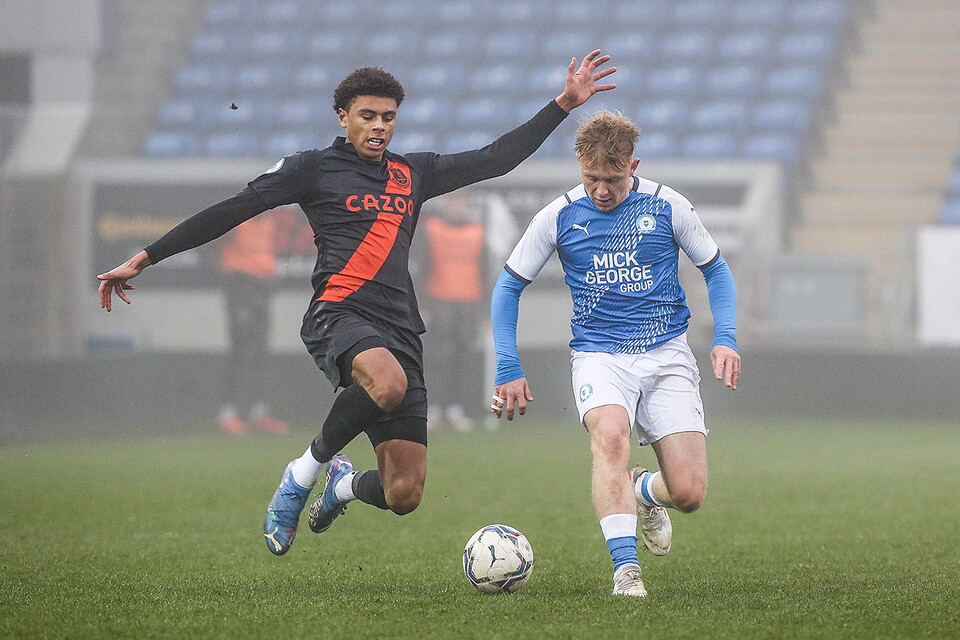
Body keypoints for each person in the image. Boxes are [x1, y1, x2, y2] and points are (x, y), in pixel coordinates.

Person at [97, 51, 616, 557]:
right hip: (339, 314)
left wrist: (563, 104)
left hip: (402, 329)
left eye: (388, 118)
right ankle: (300, 476)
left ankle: (342, 487)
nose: (379, 127)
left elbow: (495, 158)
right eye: (367, 116)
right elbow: (233, 210)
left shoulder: (413, 173)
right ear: (343, 117)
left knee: (403, 494)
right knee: (386, 384)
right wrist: (145, 257)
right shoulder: (312, 169)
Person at [489, 110, 740, 597]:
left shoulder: (668, 206)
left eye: (612, 179)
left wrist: (725, 336)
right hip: (599, 356)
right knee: (610, 438)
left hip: (667, 353)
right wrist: (507, 364)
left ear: (634, 164)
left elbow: (716, 269)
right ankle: (626, 570)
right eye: (591, 179)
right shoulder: (559, 215)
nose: (601, 190)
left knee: (688, 493)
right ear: (579, 165)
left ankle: (644, 490)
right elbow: (507, 287)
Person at [216, 213, 289, 435]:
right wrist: (232, 273)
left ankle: (259, 414)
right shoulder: (237, 220)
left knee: (262, 352)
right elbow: (213, 248)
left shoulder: (270, 221)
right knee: (241, 351)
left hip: (262, 287)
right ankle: (228, 414)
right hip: (240, 286)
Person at [421, 190, 486, 432]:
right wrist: (424, 306)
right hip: (440, 301)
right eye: (453, 202)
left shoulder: (477, 231)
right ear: (446, 204)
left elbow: (485, 271)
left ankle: (456, 409)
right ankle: (434, 409)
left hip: (469, 302)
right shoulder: (433, 229)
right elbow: (422, 267)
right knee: (439, 357)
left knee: (463, 357)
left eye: (461, 202)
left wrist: (484, 312)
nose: (457, 207)